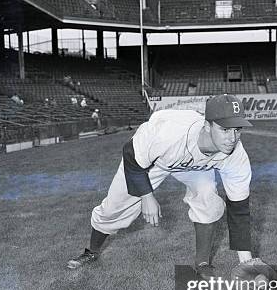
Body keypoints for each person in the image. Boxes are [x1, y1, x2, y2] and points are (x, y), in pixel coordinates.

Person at [67, 94, 262, 277]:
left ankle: (202, 263)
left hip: (195, 165)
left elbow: (239, 210)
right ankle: (91, 251)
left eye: (237, 129)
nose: (232, 138)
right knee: (114, 208)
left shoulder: (236, 155)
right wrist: (146, 196)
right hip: (154, 160)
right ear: (207, 126)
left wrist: (246, 262)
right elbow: (130, 154)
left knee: (208, 198)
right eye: (225, 129)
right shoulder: (168, 132)